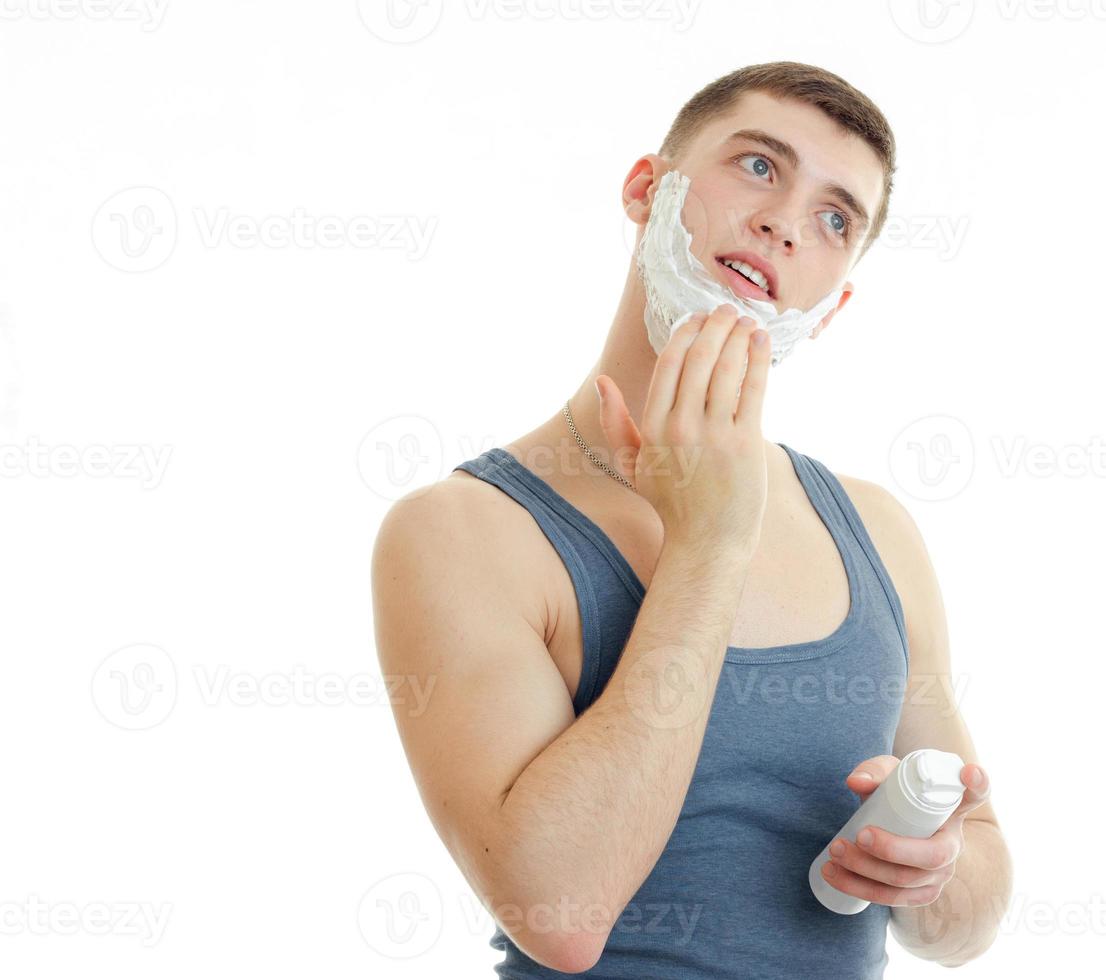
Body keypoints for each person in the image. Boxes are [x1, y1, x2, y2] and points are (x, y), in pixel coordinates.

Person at [371, 61, 1012, 978]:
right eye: (758, 167)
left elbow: (972, 919)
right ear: (647, 189)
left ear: (834, 306)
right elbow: (561, 914)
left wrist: (933, 869)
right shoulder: (464, 532)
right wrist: (709, 542)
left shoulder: (877, 530)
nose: (784, 224)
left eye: (836, 219)